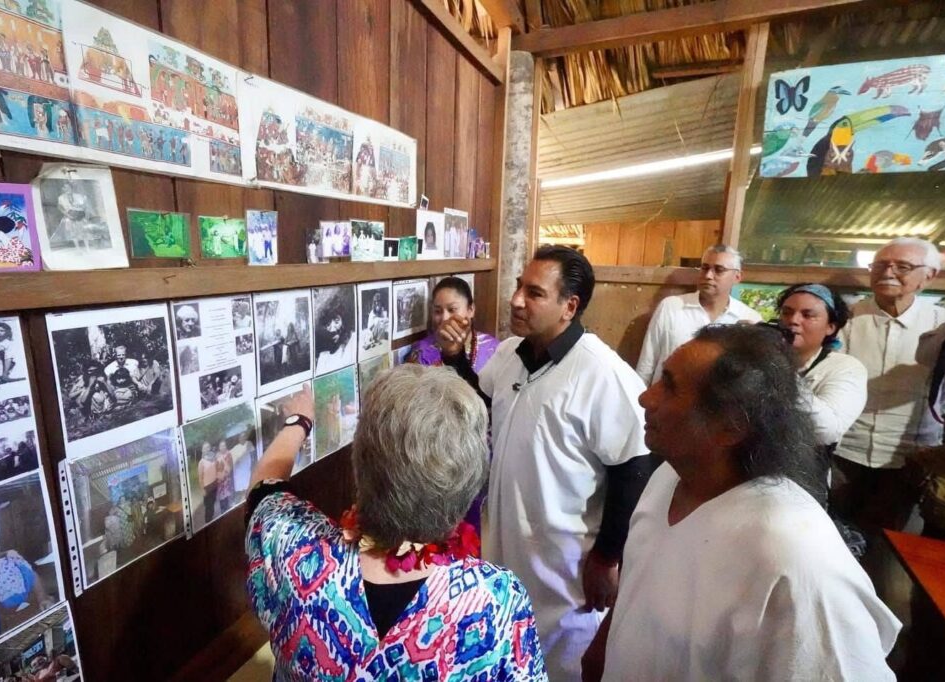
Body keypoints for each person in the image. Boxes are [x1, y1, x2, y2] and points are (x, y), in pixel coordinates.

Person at [583, 325, 900, 681]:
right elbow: (642, 579)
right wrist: (601, 651)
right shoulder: (669, 477)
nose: (646, 398)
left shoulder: (792, 552)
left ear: (731, 427)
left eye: (670, 386)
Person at [246, 367, 545, 679]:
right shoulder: (496, 600)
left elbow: (265, 487)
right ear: (468, 487)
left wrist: (299, 421)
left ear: (359, 465)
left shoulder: (293, 554)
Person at [439, 246, 650, 680]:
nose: (516, 299)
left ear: (569, 306)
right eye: (519, 286)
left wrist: (608, 557)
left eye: (534, 292)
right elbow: (486, 407)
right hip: (506, 551)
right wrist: (458, 360)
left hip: (564, 571)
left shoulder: (603, 374)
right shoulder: (511, 353)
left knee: (559, 665)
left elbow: (634, 467)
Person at [834, 237, 945, 532]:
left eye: (902, 266)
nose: (888, 272)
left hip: (910, 454)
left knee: (890, 542)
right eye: (881, 265)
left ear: (929, 275)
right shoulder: (846, 318)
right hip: (846, 449)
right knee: (834, 531)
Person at [776, 283, 867, 503]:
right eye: (787, 313)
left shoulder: (845, 368)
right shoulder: (757, 361)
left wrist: (778, 368)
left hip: (800, 486)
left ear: (831, 327)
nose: (793, 321)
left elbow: (827, 431)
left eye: (808, 315)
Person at [636, 244, 762, 384]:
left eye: (719, 270)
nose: (708, 275)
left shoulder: (750, 319)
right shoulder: (671, 307)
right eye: (705, 268)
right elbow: (647, 363)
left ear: (737, 277)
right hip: (667, 402)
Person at [408, 277, 499, 372]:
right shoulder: (422, 352)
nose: (444, 318)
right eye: (438, 311)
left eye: (452, 309)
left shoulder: (494, 350)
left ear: (470, 310)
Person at [197, 443, 218, 523]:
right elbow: (200, 478)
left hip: (214, 485)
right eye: (205, 448)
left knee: (212, 504)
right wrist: (203, 490)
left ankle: (211, 519)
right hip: (207, 487)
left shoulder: (213, 458)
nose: (207, 449)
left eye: (208, 447)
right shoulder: (201, 462)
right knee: (208, 506)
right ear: (202, 450)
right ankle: (208, 523)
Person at [215, 440, 234, 514]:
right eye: (221, 446)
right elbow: (215, 467)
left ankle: (227, 508)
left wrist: (225, 474)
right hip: (219, 479)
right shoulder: (216, 455)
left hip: (226, 478)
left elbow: (230, 466)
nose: (223, 447)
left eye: (224, 445)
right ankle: (222, 509)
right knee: (221, 495)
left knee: (226, 494)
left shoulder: (228, 454)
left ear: (226, 446)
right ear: (219, 447)